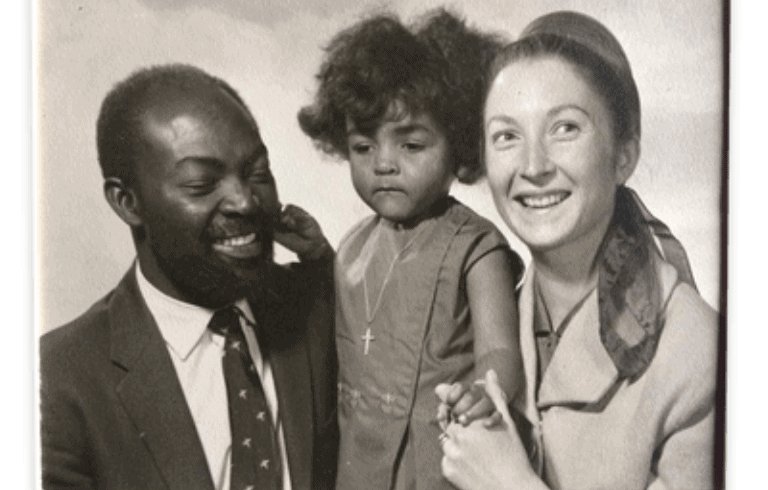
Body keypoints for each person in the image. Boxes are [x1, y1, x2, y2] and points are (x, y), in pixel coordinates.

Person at [436, 10, 719, 490]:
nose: (533, 165)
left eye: (564, 128)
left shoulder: (699, 358)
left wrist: (508, 483)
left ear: (624, 155)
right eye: (507, 136)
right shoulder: (489, 320)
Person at [40, 64, 338, 490]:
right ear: (128, 203)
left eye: (258, 174)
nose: (244, 200)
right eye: (201, 185)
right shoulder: (56, 382)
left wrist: (327, 266)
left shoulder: (317, 304)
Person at [298, 9, 525, 490]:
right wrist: (318, 255)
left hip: (436, 462)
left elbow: (501, 349)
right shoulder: (355, 245)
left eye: (411, 145)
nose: (384, 164)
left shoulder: (475, 246)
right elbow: (352, 315)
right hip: (358, 462)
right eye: (363, 147)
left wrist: (484, 390)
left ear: (459, 146)